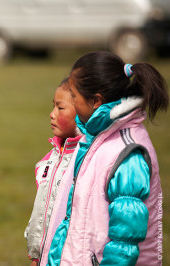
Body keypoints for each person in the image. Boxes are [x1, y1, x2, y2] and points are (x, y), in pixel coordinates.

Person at [42, 51, 168, 265]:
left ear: (96, 101)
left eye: (74, 95)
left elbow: (125, 243)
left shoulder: (127, 153)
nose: (71, 101)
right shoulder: (95, 139)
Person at [24, 78, 82, 265]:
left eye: (60, 108)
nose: (51, 114)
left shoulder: (86, 160)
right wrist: (35, 254)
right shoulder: (48, 161)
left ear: (83, 110)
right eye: (53, 107)